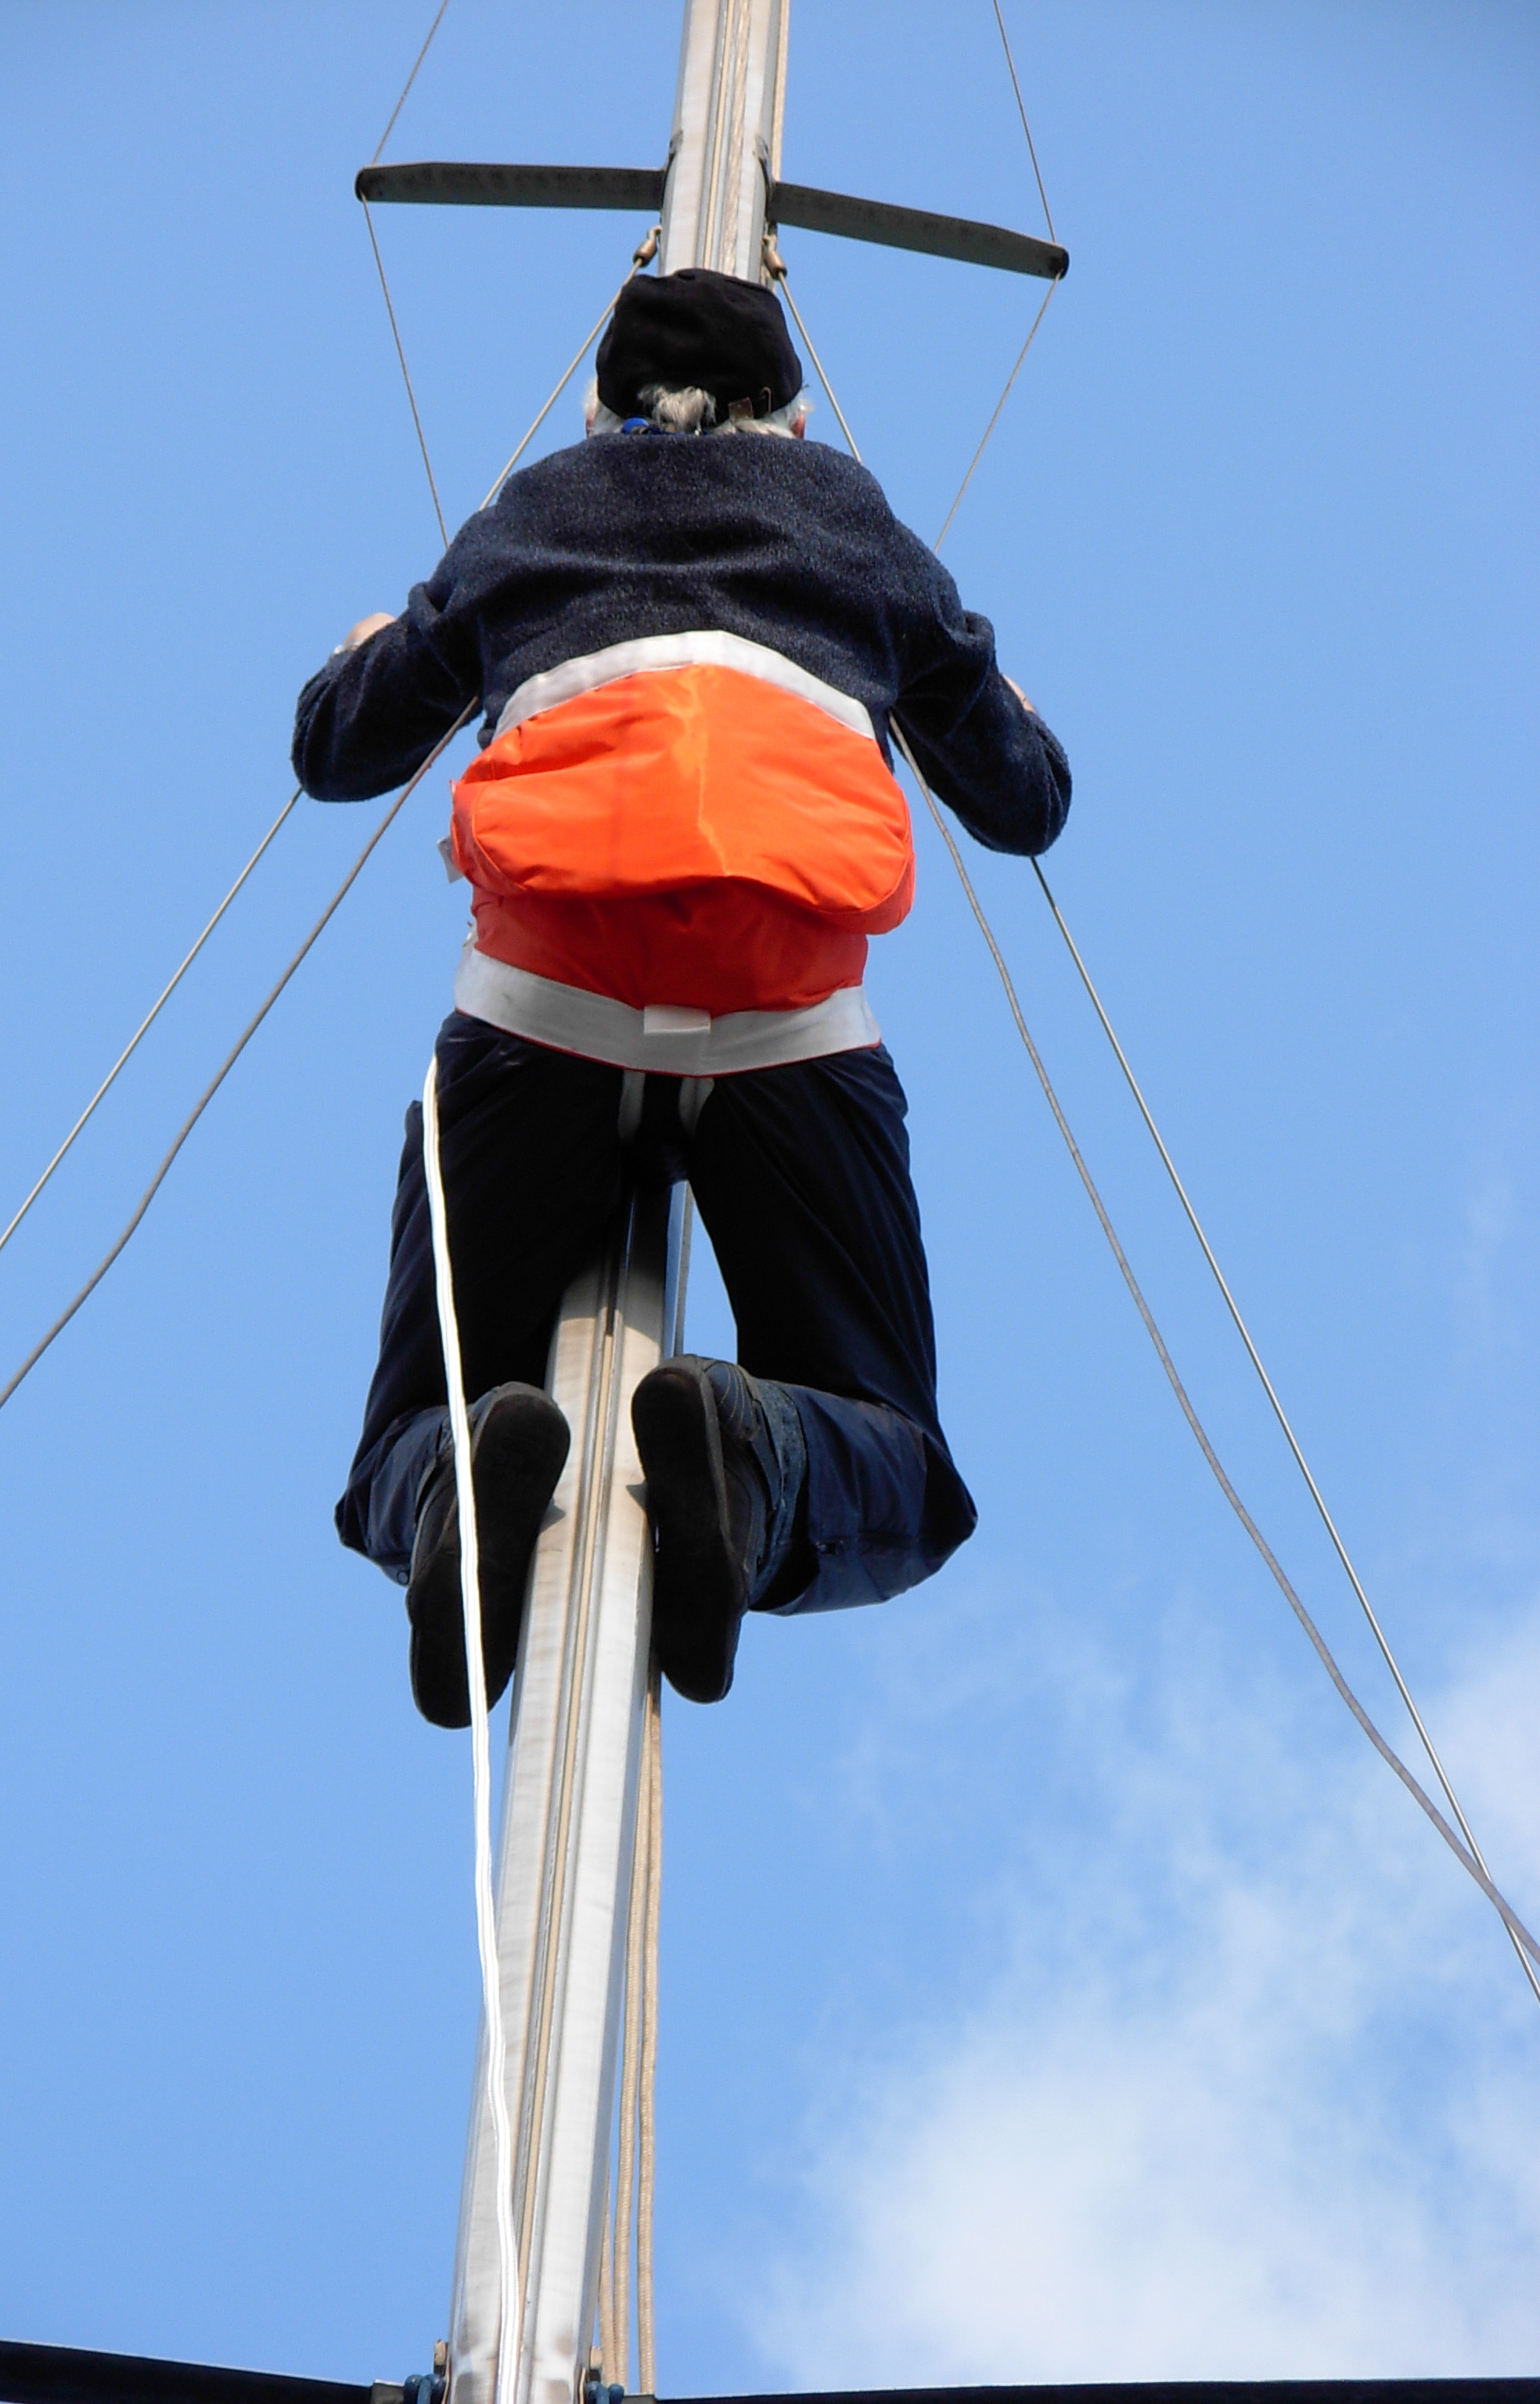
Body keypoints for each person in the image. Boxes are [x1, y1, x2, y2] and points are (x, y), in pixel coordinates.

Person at [293, 266, 1070, 1727]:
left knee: (413, 1414)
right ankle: (746, 1456)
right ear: (792, 418)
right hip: (787, 1022)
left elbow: (339, 750)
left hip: (544, 1005)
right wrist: (1014, 716)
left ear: (601, 409)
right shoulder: (853, 520)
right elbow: (1026, 805)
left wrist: (356, 658)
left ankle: (460, 1481)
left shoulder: (533, 511)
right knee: (897, 1456)